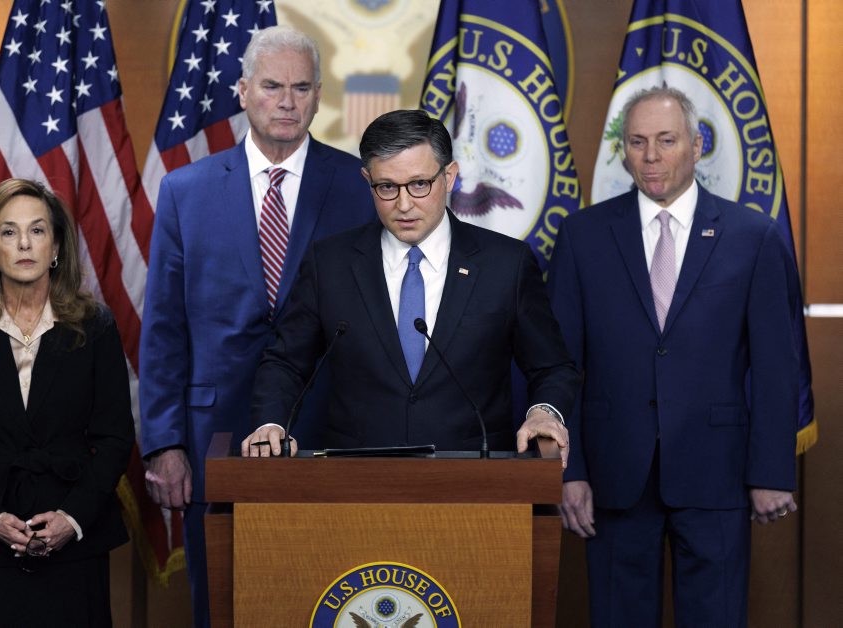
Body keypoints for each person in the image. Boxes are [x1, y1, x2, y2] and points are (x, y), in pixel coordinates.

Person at [138, 25, 376, 626]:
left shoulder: (358, 187)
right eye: (272, 86)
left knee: (326, 599)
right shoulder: (185, 191)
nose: (287, 102)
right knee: (222, 601)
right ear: (243, 91)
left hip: (330, 432)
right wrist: (164, 443)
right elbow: (163, 329)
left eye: (301, 88)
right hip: (212, 437)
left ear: (319, 97)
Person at [548, 86, 800, 627]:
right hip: (613, 476)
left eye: (666, 140)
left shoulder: (752, 237)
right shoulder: (582, 236)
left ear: (697, 145)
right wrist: (568, 471)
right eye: (637, 142)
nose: (651, 156)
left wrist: (772, 472)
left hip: (719, 473)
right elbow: (559, 367)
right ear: (623, 150)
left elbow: (778, 369)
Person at [242, 109, 579, 461]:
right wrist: (270, 423)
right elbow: (285, 363)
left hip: (474, 476)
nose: (404, 205)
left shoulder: (506, 264)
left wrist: (544, 412)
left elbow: (552, 368)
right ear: (367, 180)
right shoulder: (329, 263)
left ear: (449, 176)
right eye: (387, 187)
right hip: (356, 475)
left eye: (419, 184)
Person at [0, 178, 134, 627]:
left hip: (74, 542)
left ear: (55, 247)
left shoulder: (94, 326)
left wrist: (71, 518)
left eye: (37, 230)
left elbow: (115, 437)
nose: (24, 243)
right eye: (9, 231)